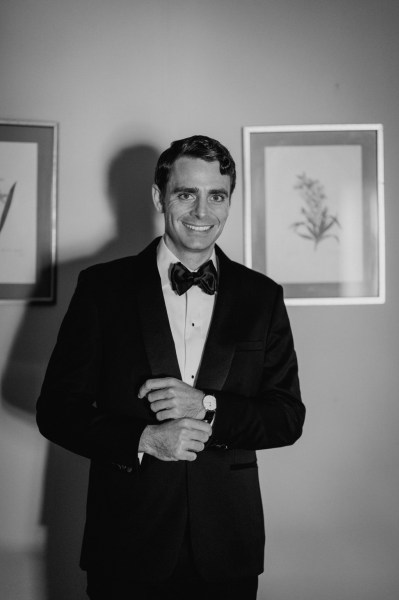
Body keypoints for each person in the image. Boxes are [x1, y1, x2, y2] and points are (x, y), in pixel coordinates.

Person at [37, 135, 305, 599]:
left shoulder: (263, 297)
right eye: (186, 193)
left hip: (228, 546)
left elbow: (287, 417)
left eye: (216, 195)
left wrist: (206, 405)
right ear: (160, 197)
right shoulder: (102, 288)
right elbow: (57, 410)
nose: (202, 212)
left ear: (228, 202)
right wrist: (143, 439)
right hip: (125, 541)